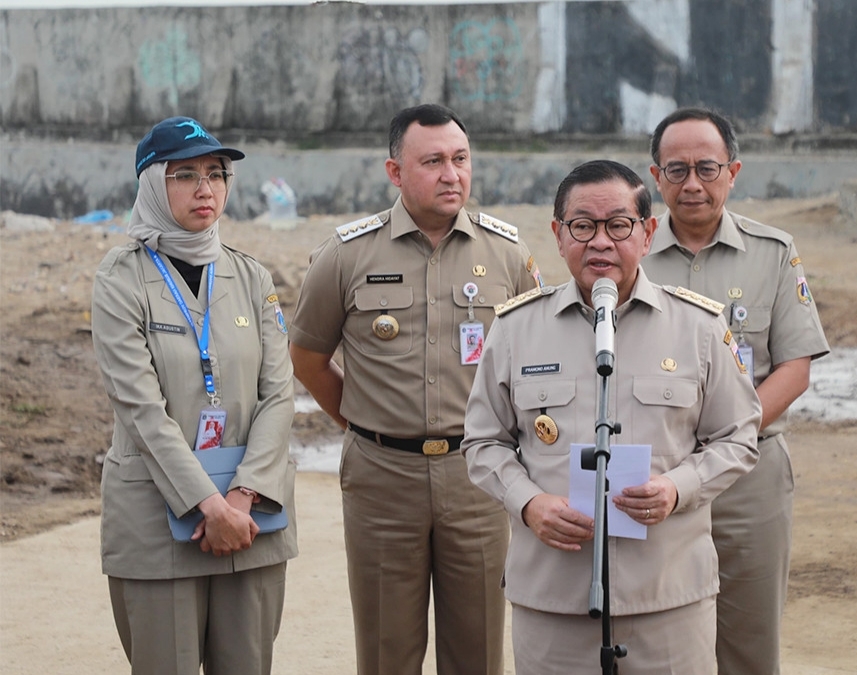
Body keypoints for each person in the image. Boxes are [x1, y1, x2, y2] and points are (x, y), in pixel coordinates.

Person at [463, 159, 762, 674]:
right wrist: (529, 502)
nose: (600, 242)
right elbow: (482, 443)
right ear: (558, 235)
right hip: (554, 600)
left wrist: (679, 487)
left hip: (667, 601)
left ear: (647, 233)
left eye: (618, 225)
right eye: (582, 226)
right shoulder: (516, 329)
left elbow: (738, 437)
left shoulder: (699, 327)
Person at [288, 103, 540, 675]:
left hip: (476, 476)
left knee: (477, 649)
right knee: (386, 652)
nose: (452, 174)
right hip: (383, 480)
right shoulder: (346, 254)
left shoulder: (507, 254)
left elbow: (533, 363)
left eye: (460, 159)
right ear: (395, 172)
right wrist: (361, 425)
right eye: (433, 162)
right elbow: (307, 358)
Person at [91, 116, 298, 674]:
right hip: (159, 525)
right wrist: (209, 505)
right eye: (185, 174)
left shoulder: (251, 277)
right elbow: (140, 410)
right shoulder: (119, 280)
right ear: (153, 185)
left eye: (216, 173)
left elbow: (280, 396)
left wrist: (241, 499)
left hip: (251, 518)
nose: (205, 188)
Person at [641, 107, 829, 675]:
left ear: (733, 171)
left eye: (706, 167)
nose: (691, 184)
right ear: (655, 177)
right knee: (656, 636)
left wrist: (728, 439)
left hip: (750, 476)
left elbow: (795, 367)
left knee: (749, 639)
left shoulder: (772, 252)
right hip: (655, 477)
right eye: (676, 170)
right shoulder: (629, 255)